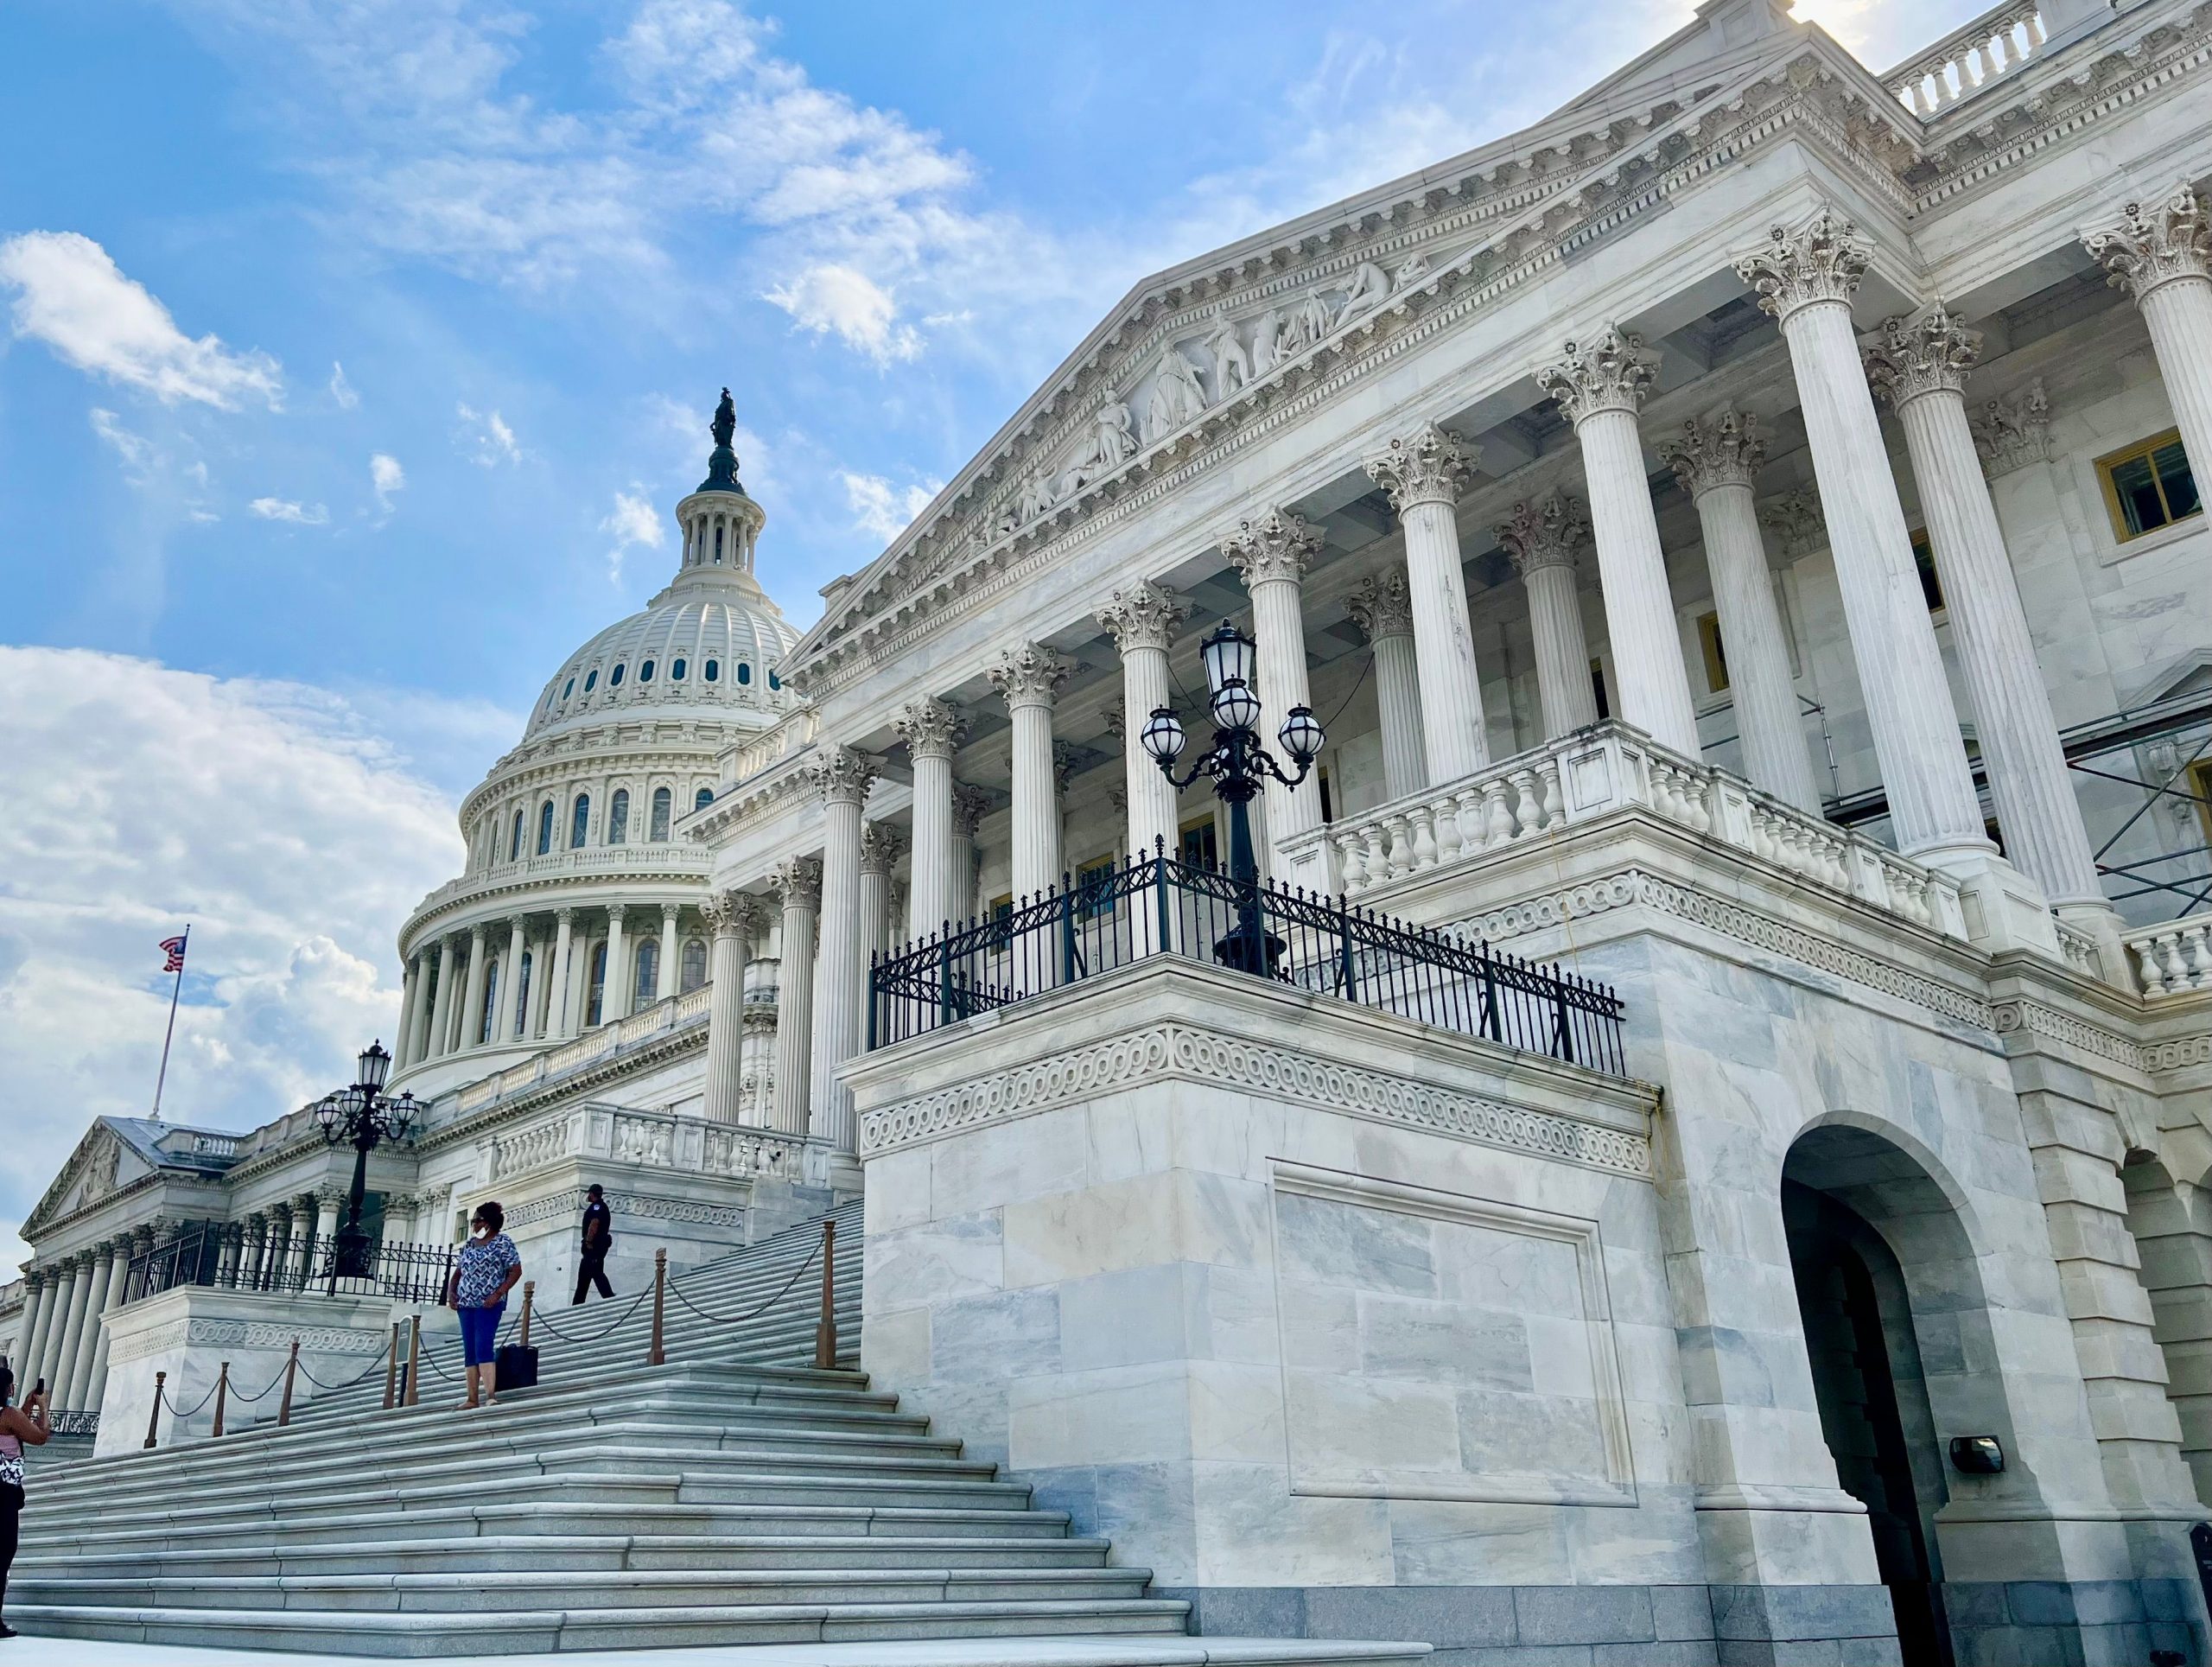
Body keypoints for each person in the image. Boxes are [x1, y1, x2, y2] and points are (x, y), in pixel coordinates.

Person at [444, 1202, 521, 1409]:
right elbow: (458, 1273)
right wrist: (452, 1293)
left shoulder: (503, 1242)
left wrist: (498, 1294)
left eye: (476, 1221)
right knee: (470, 1349)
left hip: (488, 1303)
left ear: (486, 1222)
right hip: (466, 1302)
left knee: (483, 1345)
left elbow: (515, 1271)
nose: (474, 1225)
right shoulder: (469, 1245)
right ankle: (471, 1397)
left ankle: (490, 1394)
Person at [0, 1365, 50, 1639]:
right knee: (3, 1554)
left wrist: (27, 1405)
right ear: (7, 1389)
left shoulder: (8, 1414)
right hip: (4, 1493)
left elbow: (13, 1431)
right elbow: (39, 1437)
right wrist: (43, 1408)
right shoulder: (8, 1413)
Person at [574, 1184, 614, 1306]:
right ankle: (577, 1305)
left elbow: (594, 1223)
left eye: (589, 1193)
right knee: (584, 1279)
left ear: (592, 1194)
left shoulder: (597, 1207)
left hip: (593, 1249)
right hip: (596, 1249)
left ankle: (609, 1298)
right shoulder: (601, 1207)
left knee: (596, 1275)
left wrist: (588, 1241)